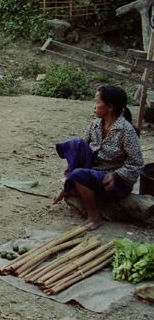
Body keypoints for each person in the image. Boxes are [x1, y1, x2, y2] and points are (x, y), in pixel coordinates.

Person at [53, 86, 144, 228]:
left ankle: (94, 216)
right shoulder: (95, 125)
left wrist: (116, 174)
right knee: (77, 143)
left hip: (113, 182)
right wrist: (71, 163)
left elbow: (137, 163)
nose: (94, 106)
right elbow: (81, 150)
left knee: (78, 174)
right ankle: (71, 182)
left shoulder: (126, 131)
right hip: (93, 171)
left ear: (109, 107)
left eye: (97, 102)